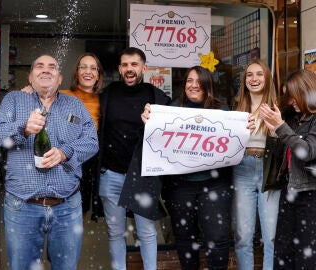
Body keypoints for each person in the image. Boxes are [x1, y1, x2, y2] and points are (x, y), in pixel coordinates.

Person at [0, 54, 99, 270]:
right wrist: (23, 127)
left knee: (66, 267)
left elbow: (92, 141)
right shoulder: (14, 100)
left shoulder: (74, 105)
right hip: (22, 205)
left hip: (67, 205)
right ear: (30, 77)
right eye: (39, 66)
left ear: (59, 79)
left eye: (52, 67)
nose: (46, 70)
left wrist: (65, 153)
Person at [142, 65, 234, 270]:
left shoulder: (223, 111)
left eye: (198, 81)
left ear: (208, 84)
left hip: (215, 184)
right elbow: (155, 141)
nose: (193, 85)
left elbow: (233, 143)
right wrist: (149, 121)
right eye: (189, 81)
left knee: (217, 237)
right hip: (181, 186)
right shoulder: (172, 109)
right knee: (185, 238)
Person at [96, 47, 171, 270]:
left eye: (134, 64)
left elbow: (169, 135)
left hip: (143, 175)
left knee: (146, 232)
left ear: (144, 68)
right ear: (120, 68)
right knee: (115, 232)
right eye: (125, 65)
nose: (130, 69)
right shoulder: (107, 95)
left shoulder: (158, 98)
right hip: (111, 174)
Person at [22, 52, 104, 217]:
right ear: (77, 72)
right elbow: (41, 95)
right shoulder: (62, 95)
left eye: (93, 68)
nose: (88, 72)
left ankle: (76, 230)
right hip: (64, 156)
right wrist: (31, 88)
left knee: (87, 203)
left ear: (98, 75)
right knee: (72, 202)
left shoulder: (104, 99)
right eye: (83, 67)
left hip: (92, 157)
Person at [259, 69, 316, 269]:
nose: (291, 102)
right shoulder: (293, 118)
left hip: (310, 195)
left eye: (294, 96)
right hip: (289, 191)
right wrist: (274, 132)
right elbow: (280, 155)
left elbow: (306, 151)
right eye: (288, 97)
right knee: (283, 252)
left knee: (306, 256)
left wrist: (281, 127)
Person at [232, 59, 281, 270]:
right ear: (244, 81)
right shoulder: (236, 107)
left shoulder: (279, 107)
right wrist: (240, 134)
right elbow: (227, 146)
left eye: (259, 74)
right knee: (243, 235)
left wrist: (274, 131)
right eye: (249, 75)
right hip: (242, 167)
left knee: (270, 235)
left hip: (269, 169)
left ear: (267, 78)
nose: (254, 79)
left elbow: (286, 148)